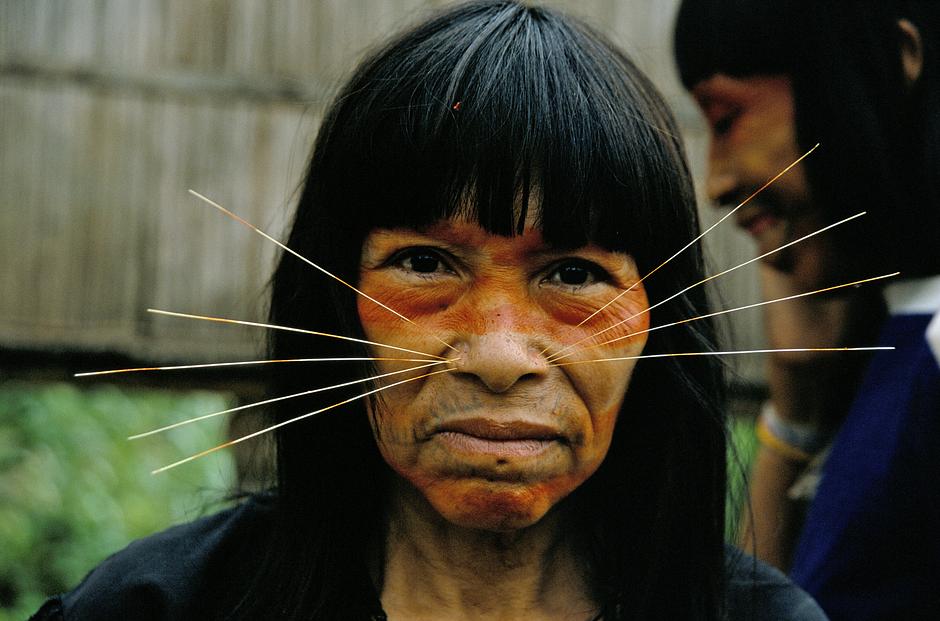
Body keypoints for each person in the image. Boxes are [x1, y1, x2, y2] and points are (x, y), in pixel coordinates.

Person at [32, 2, 826, 619]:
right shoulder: (157, 607)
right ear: (335, 304)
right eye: (424, 264)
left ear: (661, 323)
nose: (500, 355)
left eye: (574, 274)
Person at [675, 1, 940, 619]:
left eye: (726, 118)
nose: (714, 182)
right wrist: (795, 407)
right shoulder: (896, 334)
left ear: (894, 62)